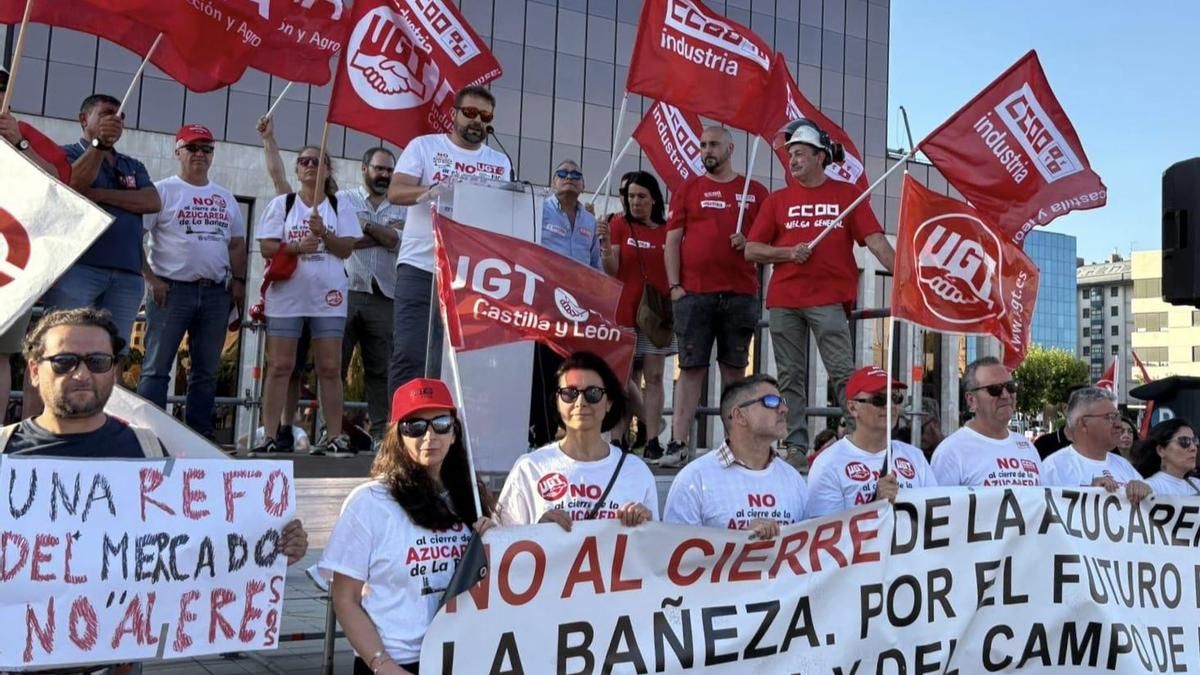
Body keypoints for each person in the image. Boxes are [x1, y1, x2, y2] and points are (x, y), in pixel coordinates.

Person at [2, 307, 309, 674]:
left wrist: (273, 543)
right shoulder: (5, 451)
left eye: (98, 361)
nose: (82, 374)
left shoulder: (148, 452)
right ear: (34, 370)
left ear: (114, 370)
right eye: (64, 361)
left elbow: (197, 546)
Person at [320, 377, 495, 675]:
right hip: (396, 661)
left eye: (441, 423)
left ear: (454, 432)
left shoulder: (472, 498)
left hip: (461, 656)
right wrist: (383, 664)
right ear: (397, 436)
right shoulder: (370, 501)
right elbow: (344, 597)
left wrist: (505, 538)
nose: (430, 436)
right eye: (415, 426)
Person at [745, 120, 895, 465]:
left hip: (828, 299)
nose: (792, 160)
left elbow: (874, 240)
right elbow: (752, 249)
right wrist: (787, 253)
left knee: (843, 373)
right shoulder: (777, 200)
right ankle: (796, 446)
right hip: (784, 300)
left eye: (799, 153)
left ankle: (864, 441)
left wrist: (903, 273)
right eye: (790, 155)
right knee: (790, 376)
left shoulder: (846, 195)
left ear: (819, 156)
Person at [387, 86, 512, 394]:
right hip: (422, 266)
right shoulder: (424, 147)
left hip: (471, 273)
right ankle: (400, 434)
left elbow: (505, 213)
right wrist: (429, 192)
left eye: (485, 117)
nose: (477, 122)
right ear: (453, 114)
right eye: (470, 113)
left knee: (460, 359)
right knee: (411, 352)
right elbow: (395, 191)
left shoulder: (500, 162)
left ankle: (448, 431)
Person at [660, 126, 768, 469]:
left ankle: (735, 444)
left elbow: (769, 244)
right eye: (703, 145)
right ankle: (678, 442)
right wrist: (675, 286)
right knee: (690, 369)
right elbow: (672, 241)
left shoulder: (756, 191)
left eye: (714, 145)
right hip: (694, 295)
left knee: (735, 372)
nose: (707, 150)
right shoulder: (688, 189)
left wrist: (748, 241)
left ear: (731, 148)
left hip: (739, 294)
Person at [137, 124, 246, 440]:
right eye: (193, 147)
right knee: (157, 368)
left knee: (206, 372)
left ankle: (199, 435)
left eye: (206, 149)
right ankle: (152, 435)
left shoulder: (224, 197)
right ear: (178, 152)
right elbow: (137, 237)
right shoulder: (162, 191)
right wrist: (151, 278)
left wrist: (238, 283)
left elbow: (237, 244)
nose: (200, 154)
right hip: (171, 290)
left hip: (215, 292)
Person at [250, 146, 359, 457]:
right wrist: (297, 247)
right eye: (304, 161)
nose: (310, 166)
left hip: (328, 298)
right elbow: (267, 247)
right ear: (297, 170)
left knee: (329, 367)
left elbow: (346, 249)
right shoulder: (282, 204)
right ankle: (269, 434)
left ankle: (334, 435)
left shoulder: (340, 206)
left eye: (318, 161)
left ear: (328, 170)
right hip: (287, 297)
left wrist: (323, 232)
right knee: (281, 366)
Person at [49, 94, 161, 362]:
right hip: (78, 269)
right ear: (84, 119)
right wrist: (98, 145)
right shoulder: (65, 154)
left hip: (126, 274)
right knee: (62, 349)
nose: (115, 120)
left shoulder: (132, 165)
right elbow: (73, 185)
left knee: (111, 356)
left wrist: (99, 195)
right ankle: (49, 406)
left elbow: (152, 201)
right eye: (107, 114)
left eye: (120, 116)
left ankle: (101, 406)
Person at [497, 351, 657, 528]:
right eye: (569, 393)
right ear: (557, 401)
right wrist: (537, 530)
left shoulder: (637, 472)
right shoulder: (530, 468)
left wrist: (646, 525)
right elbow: (504, 543)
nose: (581, 402)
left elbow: (654, 549)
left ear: (609, 402)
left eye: (593, 393)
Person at [0, 65, 72, 422]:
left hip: (9, 262)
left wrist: (18, 142)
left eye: (2, 85)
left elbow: (58, 180)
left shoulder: (23, 132)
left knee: (1, 352)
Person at [662, 374, 808, 539]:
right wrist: (740, 540)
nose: (783, 409)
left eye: (782, 401)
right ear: (739, 416)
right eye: (771, 401)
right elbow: (675, 551)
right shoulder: (695, 479)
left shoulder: (793, 479)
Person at [598, 171, 674, 462]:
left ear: (654, 198)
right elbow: (612, 269)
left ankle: (653, 439)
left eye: (642, 196)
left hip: (656, 313)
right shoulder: (618, 224)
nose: (636, 201)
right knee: (622, 378)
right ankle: (618, 438)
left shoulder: (667, 230)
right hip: (624, 311)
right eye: (631, 196)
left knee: (654, 377)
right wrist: (604, 245)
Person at [529, 160, 602, 447]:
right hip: (543, 304)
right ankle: (540, 434)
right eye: (563, 174)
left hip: (576, 310)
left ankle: (564, 433)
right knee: (542, 370)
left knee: (569, 370)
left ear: (583, 185)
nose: (569, 178)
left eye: (576, 175)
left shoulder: (590, 222)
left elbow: (596, 266)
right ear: (552, 182)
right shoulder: (538, 210)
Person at [805, 366, 937, 519]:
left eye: (895, 398)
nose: (890, 406)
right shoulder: (828, 464)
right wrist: (875, 505)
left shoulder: (915, 457)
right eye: (879, 400)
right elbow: (827, 535)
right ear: (853, 408)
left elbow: (935, 514)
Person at [340, 147, 405, 448]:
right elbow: (342, 242)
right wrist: (380, 233)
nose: (384, 175)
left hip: (385, 296)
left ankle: (381, 434)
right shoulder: (344, 200)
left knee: (381, 370)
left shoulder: (403, 207)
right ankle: (333, 432)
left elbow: (396, 241)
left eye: (389, 171)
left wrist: (363, 224)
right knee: (334, 367)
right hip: (346, 291)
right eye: (379, 169)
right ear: (364, 168)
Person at [930, 357, 1043, 486]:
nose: (1006, 395)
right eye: (994, 389)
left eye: (1011, 387)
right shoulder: (950, 452)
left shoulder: (1027, 447)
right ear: (971, 400)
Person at [1042, 387, 1152, 505]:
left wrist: (1146, 491)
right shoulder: (1054, 467)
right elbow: (1042, 515)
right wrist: (1089, 495)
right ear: (1084, 423)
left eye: (1118, 416)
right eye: (1110, 417)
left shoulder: (1124, 465)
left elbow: (1151, 509)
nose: (1119, 424)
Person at [1134, 418, 1200, 496]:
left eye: (1195, 441)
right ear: (1161, 450)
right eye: (1184, 441)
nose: (1194, 448)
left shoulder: (1197, 484)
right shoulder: (1148, 488)